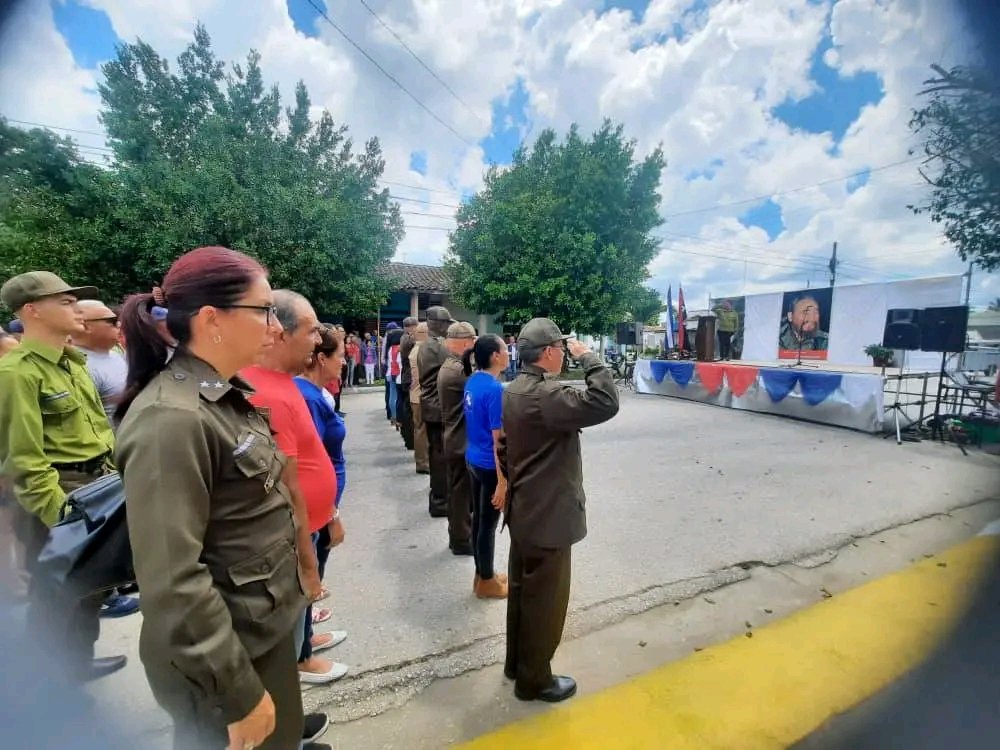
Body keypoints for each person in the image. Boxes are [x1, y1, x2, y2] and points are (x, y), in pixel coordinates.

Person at [115, 248, 332, 750]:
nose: (274, 328)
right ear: (213, 319)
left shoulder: (223, 395)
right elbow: (173, 581)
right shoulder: (173, 418)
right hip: (226, 656)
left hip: (258, 629)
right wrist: (238, 694)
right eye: (262, 312)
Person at [0, 271, 127, 684]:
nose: (77, 309)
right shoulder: (18, 373)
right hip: (59, 493)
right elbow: (24, 459)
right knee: (53, 598)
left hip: (95, 486)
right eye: (66, 302)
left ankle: (77, 664)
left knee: (90, 588)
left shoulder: (72, 364)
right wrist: (62, 519)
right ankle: (49, 687)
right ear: (31, 310)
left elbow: (98, 433)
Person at [499, 318, 619, 704]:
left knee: (522, 591)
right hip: (548, 514)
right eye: (563, 348)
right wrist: (592, 360)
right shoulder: (546, 395)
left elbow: (506, 447)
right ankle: (535, 680)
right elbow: (605, 402)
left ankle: (518, 664)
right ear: (549, 353)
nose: (566, 353)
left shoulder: (515, 389)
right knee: (545, 601)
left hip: (525, 509)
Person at [240, 291, 349, 688]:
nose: (318, 340)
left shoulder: (285, 384)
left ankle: (301, 656)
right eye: (311, 330)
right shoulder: (267, 392)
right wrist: (308, 565)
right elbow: (287, 482)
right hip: (290, 538)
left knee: (292, 631)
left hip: (310, 525)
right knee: (280, 649)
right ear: (279, 334)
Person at [72, 299, 141, 619]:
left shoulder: (113, 356)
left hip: (130, 452)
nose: (118, 325)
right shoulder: (81, 365)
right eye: (110, 319)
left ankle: (119, 581)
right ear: (84, 324)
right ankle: (105, 595)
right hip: (106, 460)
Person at [294, 329, 351, 665]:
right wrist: (331, 514)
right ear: (320, 359)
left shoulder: (314, 394)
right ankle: (302, 655)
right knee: (309, 572)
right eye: (339, 355)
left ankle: (306, 636)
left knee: (315, 571)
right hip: (316, 511)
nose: (344, 361)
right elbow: (307, 464)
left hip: (321, 507)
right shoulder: (310, 399)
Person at [462, 335, 510, 599]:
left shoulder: (473, 381)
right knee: (487, 525)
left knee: (480, 521)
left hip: (472, 459)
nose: (508, 353)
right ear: (494, 355)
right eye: (504, 349)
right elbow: (498, 440)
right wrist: (503, 482)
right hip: (489, 466)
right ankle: (487, 581)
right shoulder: (494, 389)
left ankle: (482, 574)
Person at [437, 321, 477, 556]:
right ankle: (462, 538)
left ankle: (458, 535)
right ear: (464, 343)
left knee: (458, 491)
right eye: (472, 342)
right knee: (461, 493)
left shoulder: (451, 365)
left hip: (454, 436)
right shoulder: (458, 370)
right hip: (460, 439)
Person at [418, 306, 455, 518]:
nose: (447, 327)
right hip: (437, 407)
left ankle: (439, 498)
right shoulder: (436, 347)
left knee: (437, 455)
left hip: (431, 406)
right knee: (440, 458)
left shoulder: (429, 345)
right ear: (435, 323)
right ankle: (441, 500)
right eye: (445, 323)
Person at [409, 323, 430, 475]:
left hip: (415, 394)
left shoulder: (415, 349)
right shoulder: (421, 351)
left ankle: (422, 461)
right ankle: (423, 462)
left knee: (420, 430)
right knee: (422, 431)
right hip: (420, 395)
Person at [397, 317, 419, 451]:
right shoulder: (409, 339)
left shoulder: (404, 338)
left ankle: (408, 438)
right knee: (410, 412)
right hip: (409, 378)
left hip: (405, 377)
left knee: (407, 410)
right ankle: (410, 440)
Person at [383, 322, 404, 425]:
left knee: (392, 396)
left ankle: (393, 417)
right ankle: (399, 417)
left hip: (391, 373)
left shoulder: (390, 348)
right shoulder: (400, 348)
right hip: (399, 374)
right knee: (400, 398)